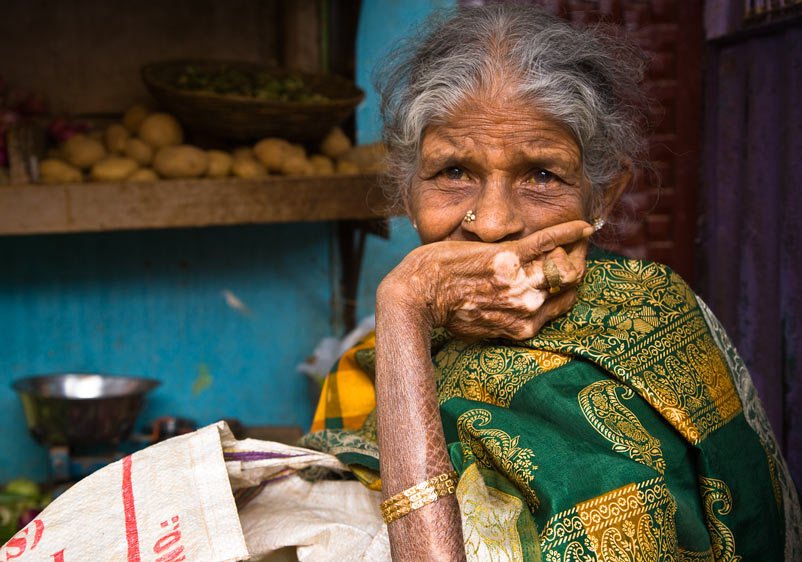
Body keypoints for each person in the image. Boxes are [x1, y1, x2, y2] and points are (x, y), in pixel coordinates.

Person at [299, 4, 802, 561]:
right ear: (408, 189)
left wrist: (401, 303)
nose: (492, 224)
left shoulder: (657, 321)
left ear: (602, 196)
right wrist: (401, 309)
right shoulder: (378, 354)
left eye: (541, 175)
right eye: (453, 172)